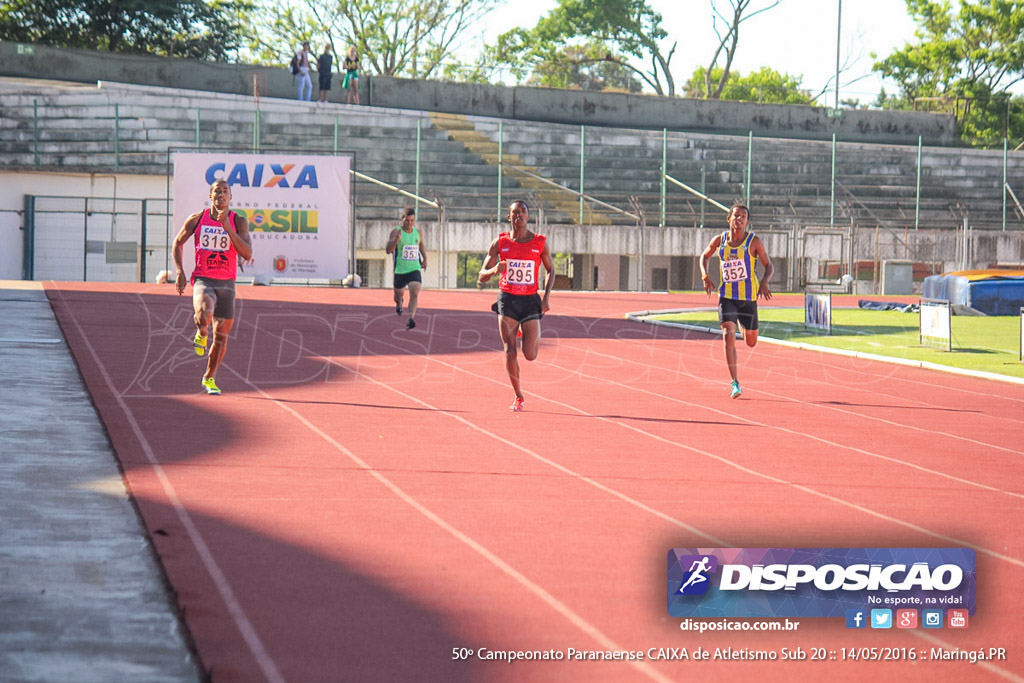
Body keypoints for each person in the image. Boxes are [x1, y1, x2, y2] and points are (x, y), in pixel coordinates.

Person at [172, 179, 253, 395]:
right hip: (203, 278)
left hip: (226, 283)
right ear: (211, 196)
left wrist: (228, 228)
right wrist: (180, 271)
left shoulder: (239, 221)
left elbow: (247, 253)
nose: (221, 194)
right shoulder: (198, 219)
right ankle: (200, 330)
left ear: (230, 197)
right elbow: (178, 242)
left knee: (221, 336)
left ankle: (209, 377)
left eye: (225, 191)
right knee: (205, 310)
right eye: (217, 191)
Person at [478, 200, 555, 412]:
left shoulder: (539, 242)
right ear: (508, 217)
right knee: (509, 350)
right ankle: (518, 395)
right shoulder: (499, 243)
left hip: (530, 300)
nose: (519, 215)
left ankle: (527, 333)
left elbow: (551, 270)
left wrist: (546, 297)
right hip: (507, 300)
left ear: (528, 216)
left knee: (530, 355)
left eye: (522, 212)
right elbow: (481, 276)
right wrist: (494, 270)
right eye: (515, 212)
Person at [699, 203, 774, 399]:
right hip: (727, 297)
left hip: (748, 299)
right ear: (729, 219)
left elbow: (768, 265)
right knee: (727, 334)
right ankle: (734, 382)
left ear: (747, 221)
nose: (739, 219)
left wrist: (765, 281)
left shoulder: (753, 242)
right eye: (736, 216)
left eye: (743, 216)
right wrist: (705, 276)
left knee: (750, 342)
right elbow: (704, 256)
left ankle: (741, 323)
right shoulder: (720, 240)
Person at [385, 207, 426, 329]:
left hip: (414, 268)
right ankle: (399, 302)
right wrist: (396, 240)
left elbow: (421, 245)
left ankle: (411, 319)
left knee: (414, 292)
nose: (409, 223)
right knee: (398, 294)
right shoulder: (396, 232)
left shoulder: (417, 233)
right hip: (400, 270)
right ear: (402, 219)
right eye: (407, 220)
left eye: (412, 221)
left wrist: (425, 259)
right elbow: (388, 250)